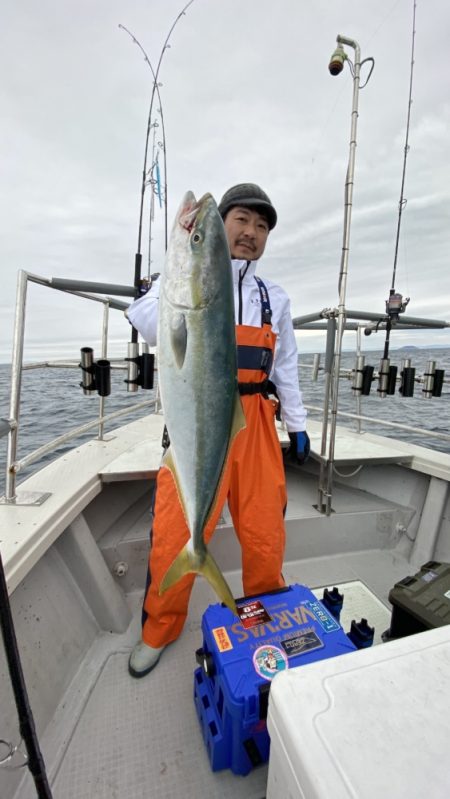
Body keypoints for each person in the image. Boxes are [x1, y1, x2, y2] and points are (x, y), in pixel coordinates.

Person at [126, 183, 309, 677]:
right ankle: (158, 629)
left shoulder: (275, 298)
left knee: (266, 536)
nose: (251, 233)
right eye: (242, 220)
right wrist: (180, 266)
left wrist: (298, 424)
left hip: (257, 427)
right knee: (173, 533)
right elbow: (145, 319)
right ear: (225, 223)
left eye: (262, 226)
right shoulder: (181, 282)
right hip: (197, 422)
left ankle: (265, 625)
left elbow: (286, 366)